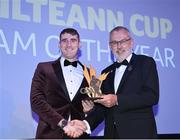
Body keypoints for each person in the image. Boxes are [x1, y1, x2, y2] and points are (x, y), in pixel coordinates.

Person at [70, 26, 159, 139]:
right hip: (112, 135)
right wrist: (85, 123)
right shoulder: (106, 72)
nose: (119, 46)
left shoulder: (145, 62)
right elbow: (102, 109)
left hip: (139, 134)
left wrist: (117, 100)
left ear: (131, 42)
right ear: (109, 46)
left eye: (123, 41)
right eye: (114, 43)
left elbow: (151, 96)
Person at [30, 28, 90, 139]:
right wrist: (63, 123)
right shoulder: (44, 68)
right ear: (59, 44)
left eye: (73, 40)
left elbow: (94, 107)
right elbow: (36, 101)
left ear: (79, 44)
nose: (69, 44)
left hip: (80, 135)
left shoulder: (90, 73)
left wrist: (89, 111)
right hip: (50, 134)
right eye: (64, 40)